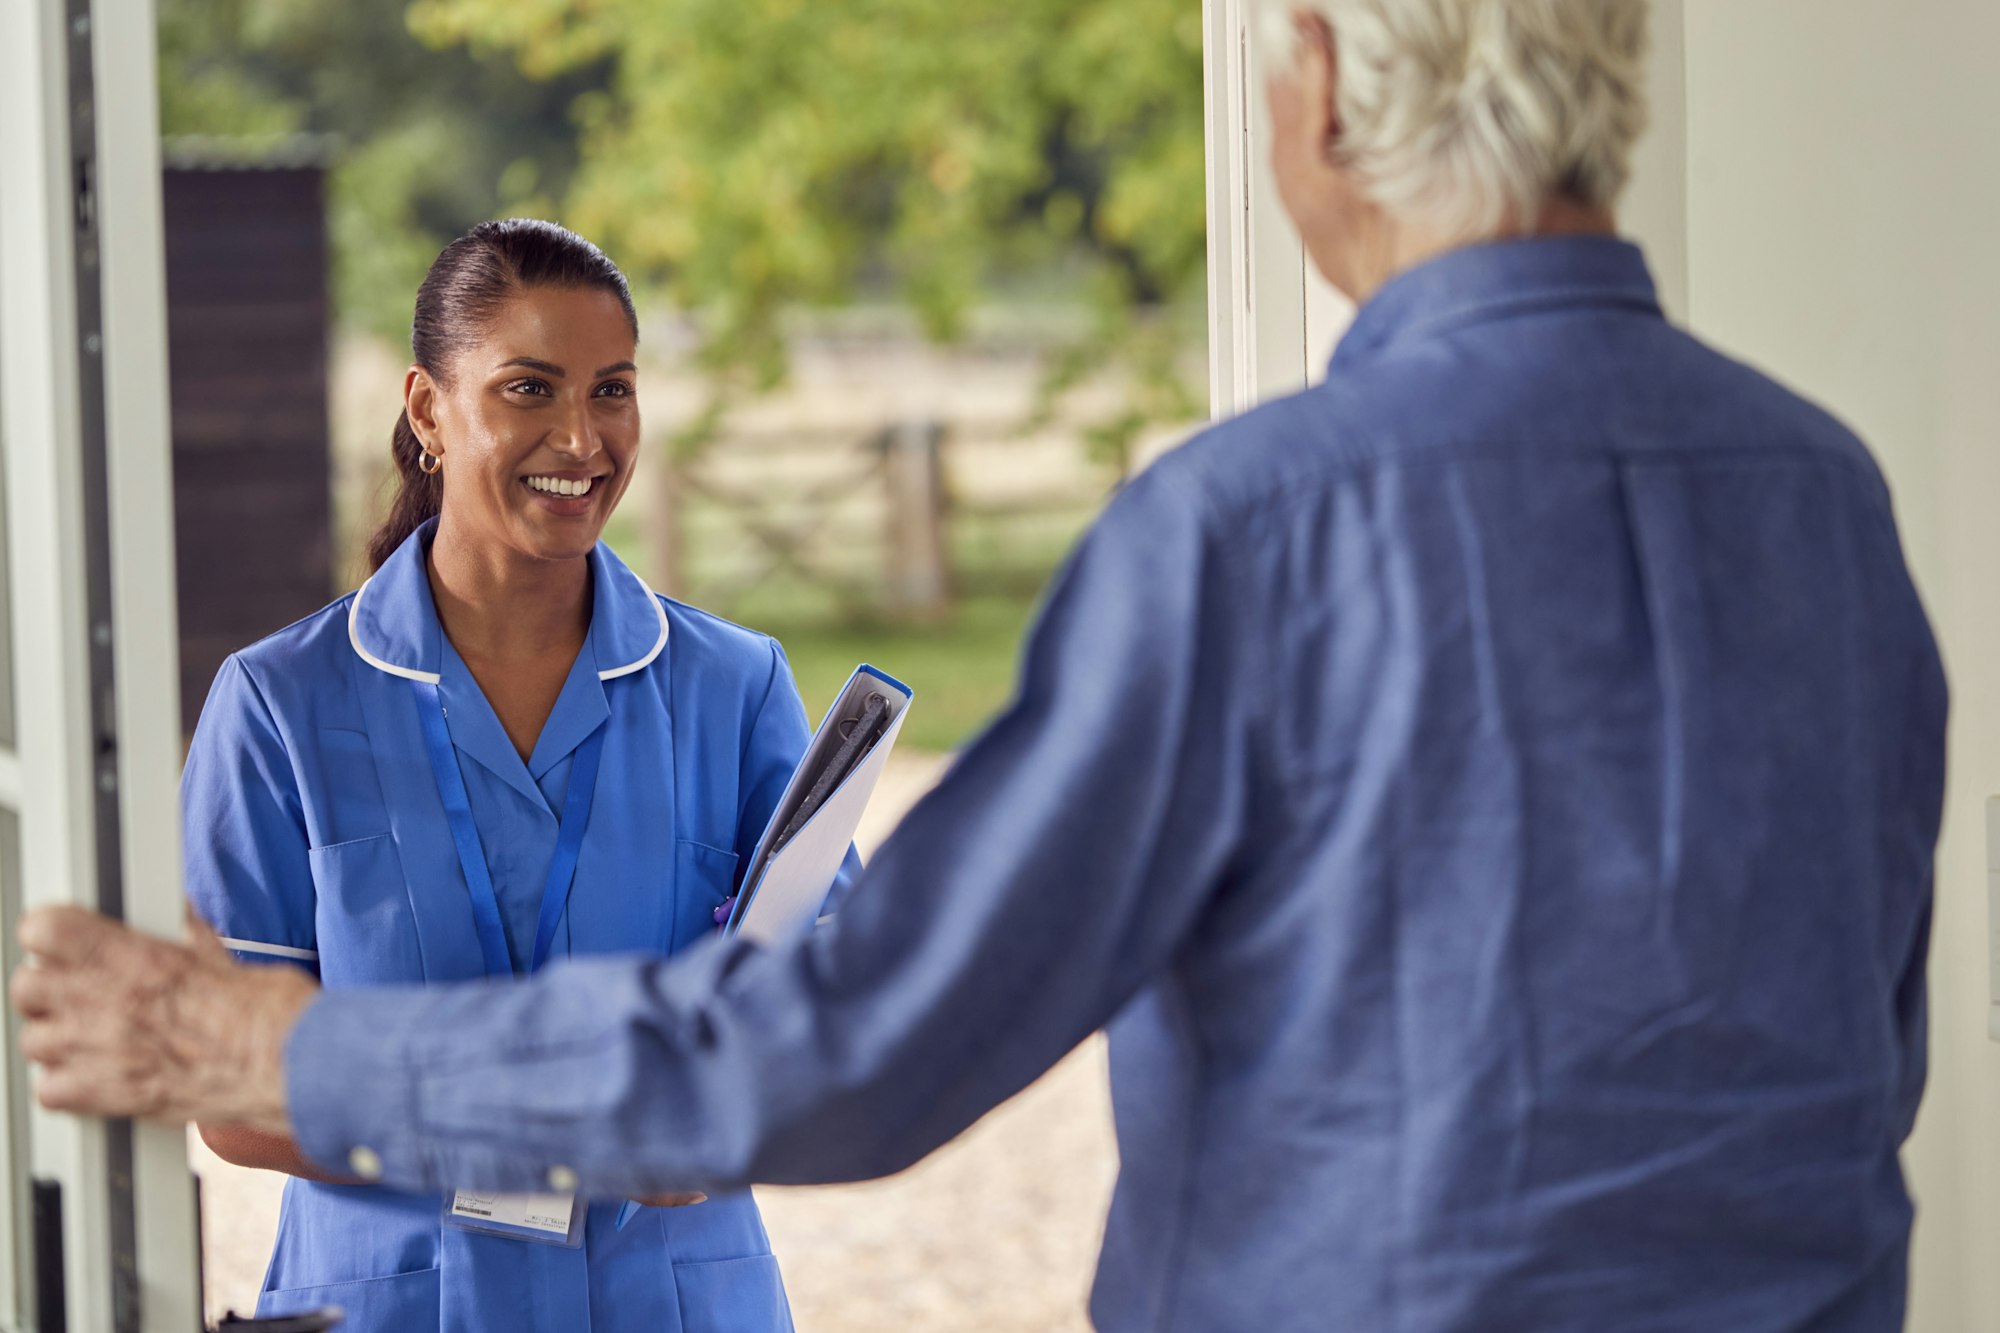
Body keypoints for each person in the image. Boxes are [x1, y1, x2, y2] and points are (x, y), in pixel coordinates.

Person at [16, 3, 1946, 1329]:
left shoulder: (1256, 527)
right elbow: (1867, 1044)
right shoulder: (1824, 496)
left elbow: (841, 1039)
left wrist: (245, 1036)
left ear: (1339, 91)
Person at [164, 219, 849, 1330]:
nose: (579, 437)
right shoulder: (282, 704)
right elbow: (232, 1091)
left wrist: (738, 1110)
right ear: (428, 409)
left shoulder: (736, 689)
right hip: (397, 1305)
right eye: (528, 388)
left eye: (611, 390)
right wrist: (544, 1141)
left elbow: (829, 1001)